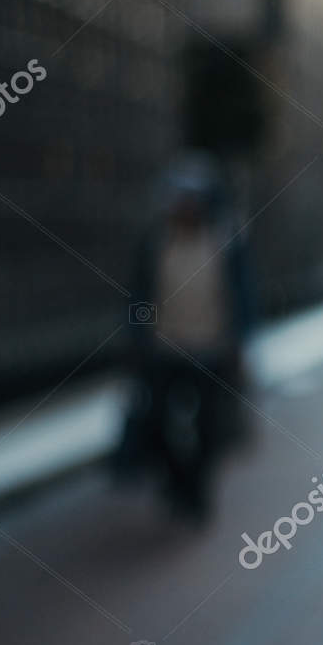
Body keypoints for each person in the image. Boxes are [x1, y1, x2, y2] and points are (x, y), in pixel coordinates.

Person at [120, 156, 256, 523]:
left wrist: (241, 342)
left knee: (210, 428)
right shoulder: (156, 242)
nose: (184, 207)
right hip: (165, 348)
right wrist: (136, 339)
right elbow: (139, 295)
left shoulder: (225, 240)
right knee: (157, 422)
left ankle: (197, 490)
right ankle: (177, 483)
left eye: (190, 199)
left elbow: (242, 295)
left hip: (211, 349)